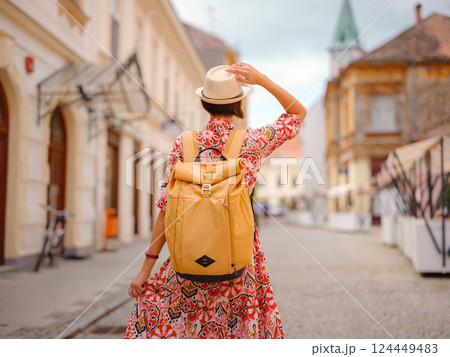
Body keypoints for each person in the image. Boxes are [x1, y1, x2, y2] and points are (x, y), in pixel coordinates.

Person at [124, 62, 307, 339]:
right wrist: (263, 80)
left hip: (189, 255)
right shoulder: (252, 142)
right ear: (239, 103)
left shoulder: (183, 145)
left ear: (204, 103)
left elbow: (166, 211)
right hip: (238, 257)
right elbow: (297, 113)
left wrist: (144, 271)